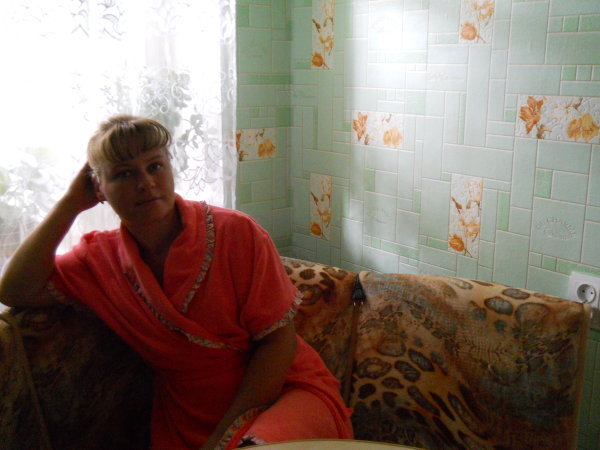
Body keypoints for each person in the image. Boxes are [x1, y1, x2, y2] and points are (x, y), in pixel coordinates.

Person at [0, 115, 353, 449]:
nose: (145, 183)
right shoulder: (99, 260)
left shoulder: (237, 232)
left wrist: (226, 435)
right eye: (123, 174)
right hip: (187, 414)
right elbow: (14, 289)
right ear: (98, 188)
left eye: (155, 166)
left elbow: (278, 343)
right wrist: (69, 205)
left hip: (281, 394)